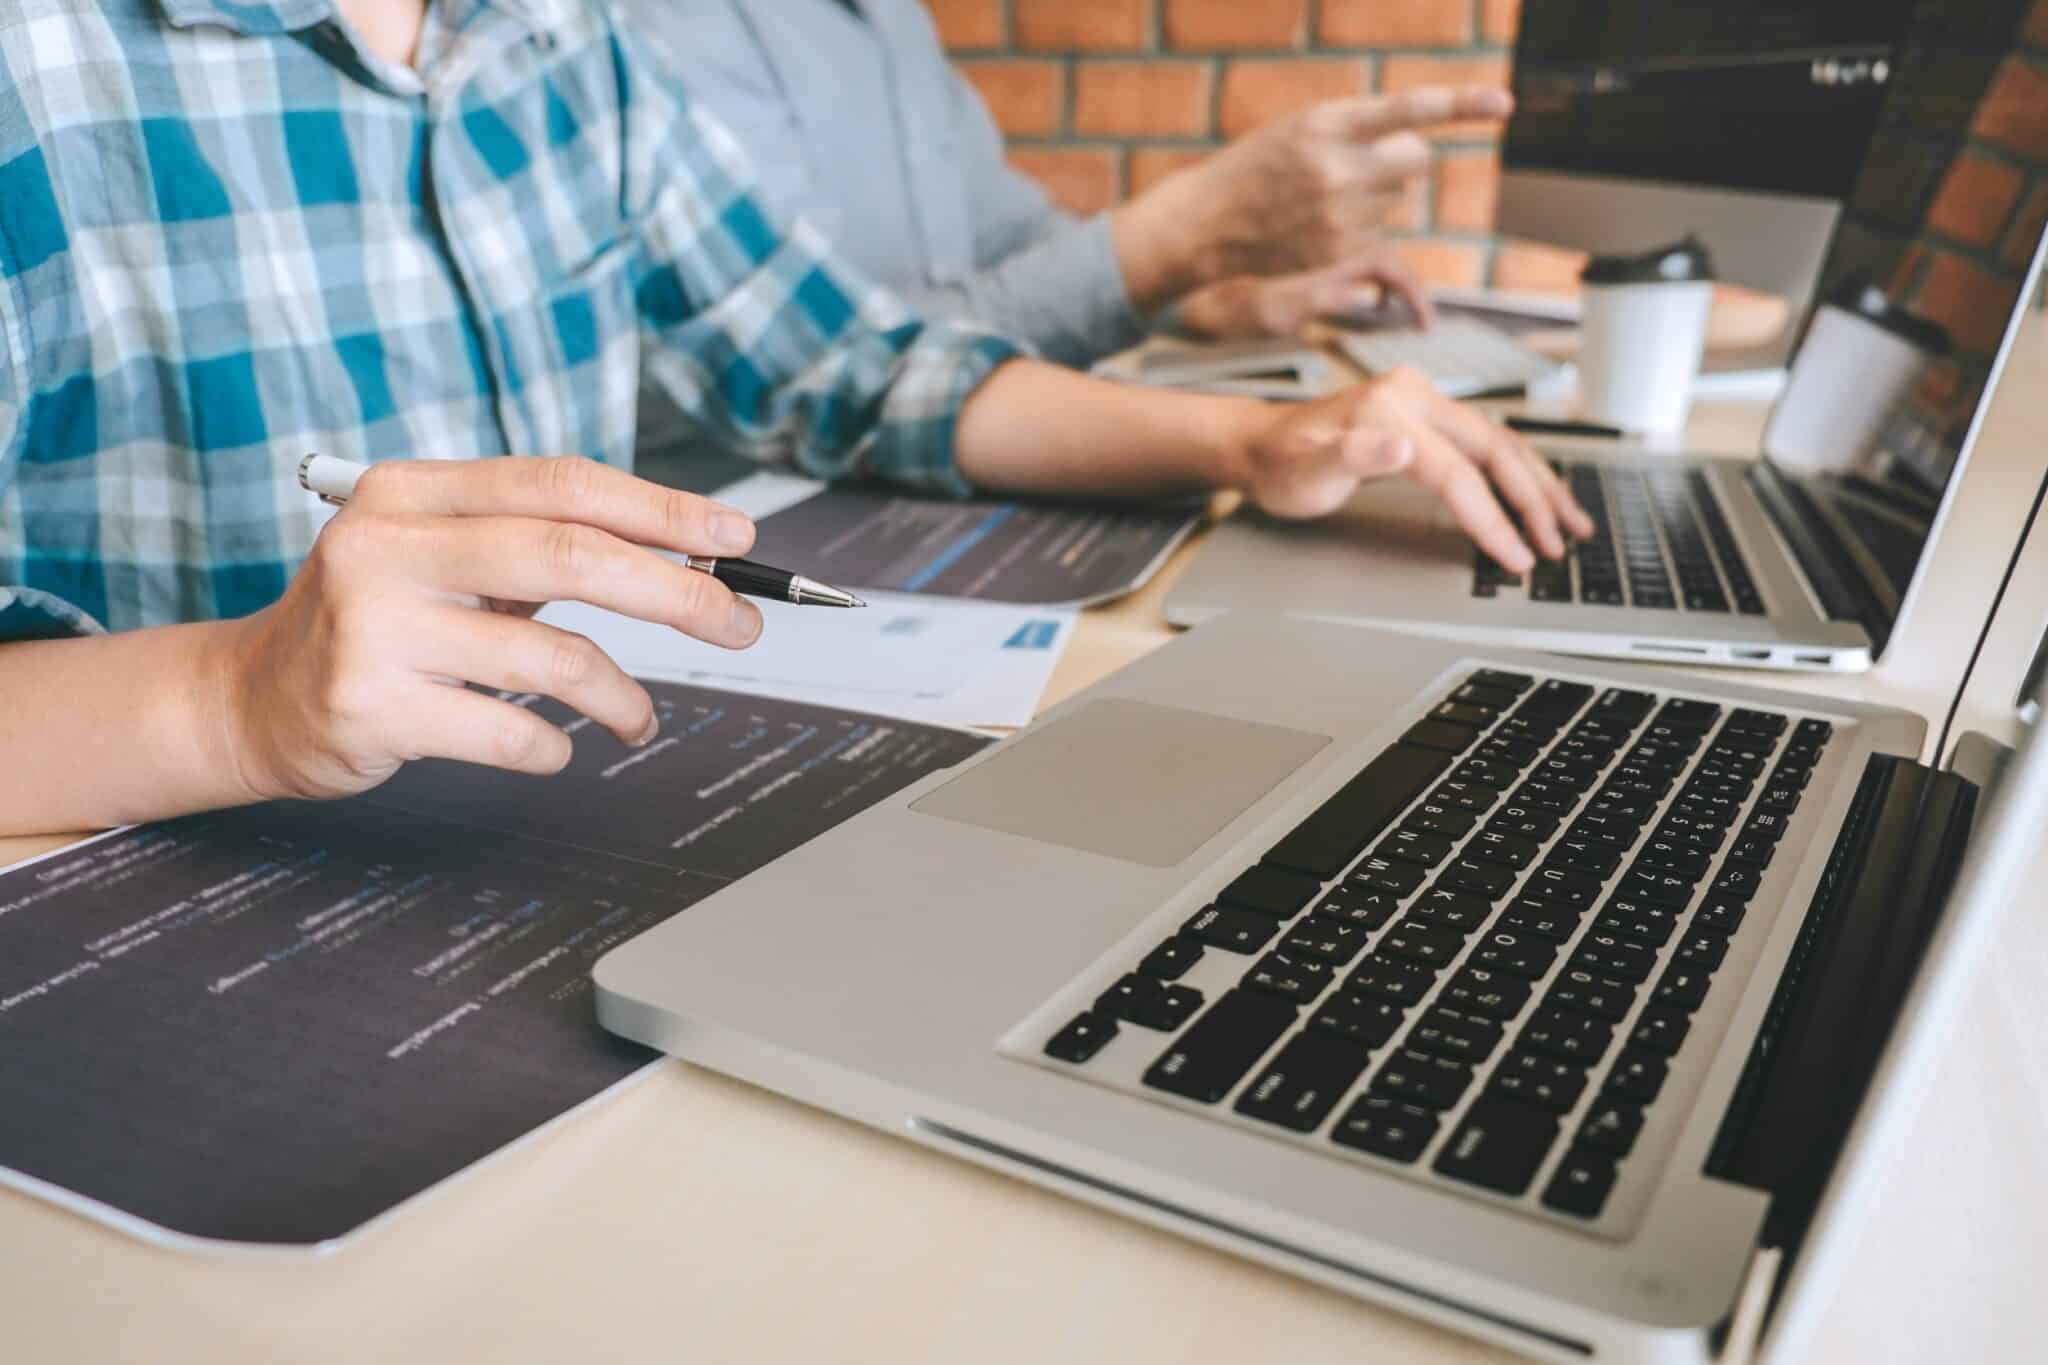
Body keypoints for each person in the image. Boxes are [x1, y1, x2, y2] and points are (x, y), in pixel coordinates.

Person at [0, 0, 1589, 839]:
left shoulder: (569, 35)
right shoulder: (36, 62)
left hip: (520, 829)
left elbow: (853, 362)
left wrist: (1248, 447)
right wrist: (237, 703)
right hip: (168, 889)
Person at [623, 0, 1451, 369]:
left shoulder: (894, 19)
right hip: (743, 524)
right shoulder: (657, 25)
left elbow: (1013, 233)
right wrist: (1181, 235)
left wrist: (1206, 292)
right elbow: (805, 355)